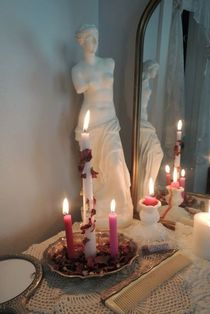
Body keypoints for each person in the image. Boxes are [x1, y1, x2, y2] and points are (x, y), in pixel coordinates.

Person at [71, 24, 133, 228]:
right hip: (91, 124)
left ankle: (122, 209)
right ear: (82, 41)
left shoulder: (109, 63)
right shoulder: (78, 70)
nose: (95, 42)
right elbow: (80, 88)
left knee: (115, 163)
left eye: (97, 37)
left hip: (110, 122)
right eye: (90, 38)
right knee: (94, 171)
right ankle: (98, 209)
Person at [137, 60, 163, 204]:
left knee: (154, 154)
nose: (156, 74)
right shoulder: (140, 82)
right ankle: (144, 192)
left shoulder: (146, 82)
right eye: (155, 70)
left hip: (145, 122)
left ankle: (145, 191)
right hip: (141, 122)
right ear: (149, 69)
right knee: (156, 152)